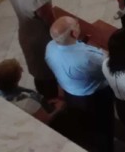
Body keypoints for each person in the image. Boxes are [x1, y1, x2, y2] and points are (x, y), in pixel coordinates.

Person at [45, 16, 114, 151]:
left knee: (84, 124)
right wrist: (102, 52)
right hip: (94, 97)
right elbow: (108, 69)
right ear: (73, 33)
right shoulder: (87, 57)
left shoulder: (50, 47)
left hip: (71, 93)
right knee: (103, 127)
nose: (78, 25)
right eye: (76, 24)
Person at [8, 0, 58, 98]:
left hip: (25, 33)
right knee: (47, 71)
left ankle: (44, 96)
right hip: (41, 39)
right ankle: (52, 98)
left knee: (37, 68)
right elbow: (50, 22)